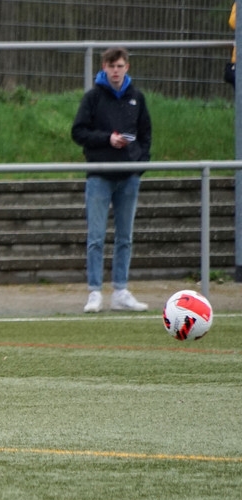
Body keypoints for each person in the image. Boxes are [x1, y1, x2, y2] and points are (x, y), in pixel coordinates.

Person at [71, 46, 152, 313]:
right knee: (96, 237)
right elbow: (78, 132)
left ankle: (121, 290)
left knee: (124, 237)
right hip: (99, 175)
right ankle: (95, 291)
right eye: (111, 66)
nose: (115, 71)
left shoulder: (137, 98)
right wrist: (107, 139)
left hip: (128, 177)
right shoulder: (93, 98)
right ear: (103, 67)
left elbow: (145, 135)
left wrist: (138, 165)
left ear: (126, 67)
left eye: (119, 66)